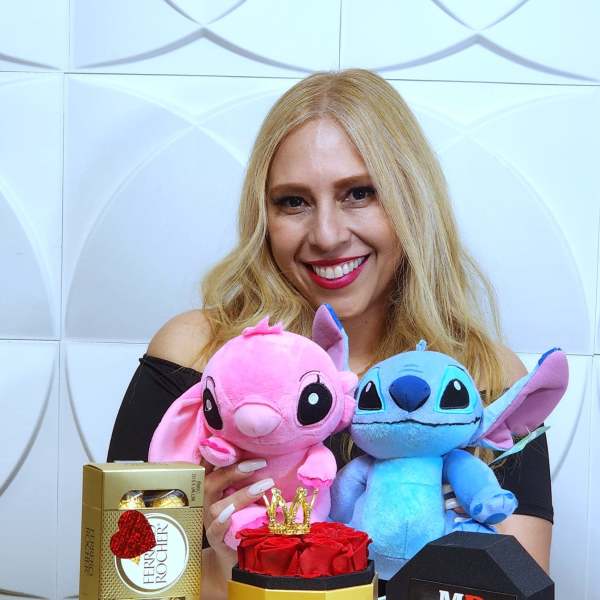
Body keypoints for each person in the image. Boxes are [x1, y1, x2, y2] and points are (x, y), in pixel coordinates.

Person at [107, 69, 553, 599]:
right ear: (263, 217)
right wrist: (224, 564)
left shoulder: (485, 380)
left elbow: (517, 588)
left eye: (359, 193)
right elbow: (117, 584)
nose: (326, 235)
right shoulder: (198, 359)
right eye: (293, 201)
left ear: (412, 202)